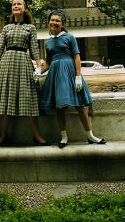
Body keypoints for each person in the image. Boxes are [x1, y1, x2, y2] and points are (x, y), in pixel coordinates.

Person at [40, 9, 106, 148]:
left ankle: (90, 136)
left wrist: (78, 76)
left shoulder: (69, 37)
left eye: (57, 20)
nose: (54, 22)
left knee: (81, 105)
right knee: (60, 107)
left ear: (62, 24)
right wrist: (38, 71)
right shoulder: (47, 42)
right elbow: (48, 62)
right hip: (56, 75)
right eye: (52, 20)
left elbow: (76, 56)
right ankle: (63, 137)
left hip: (70, 73)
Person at [0, 0, 49, 146]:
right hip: (7, 63)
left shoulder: (30, 28)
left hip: (23, 62)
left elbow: (34, 50)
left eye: (19, 4)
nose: (16, 6)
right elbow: (0, 50)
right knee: (6, 99)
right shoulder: (6, 28)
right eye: (14, 4)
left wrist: (39, 68)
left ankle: (36, 135)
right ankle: (3, 135)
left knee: (28, 98)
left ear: (24, 7)